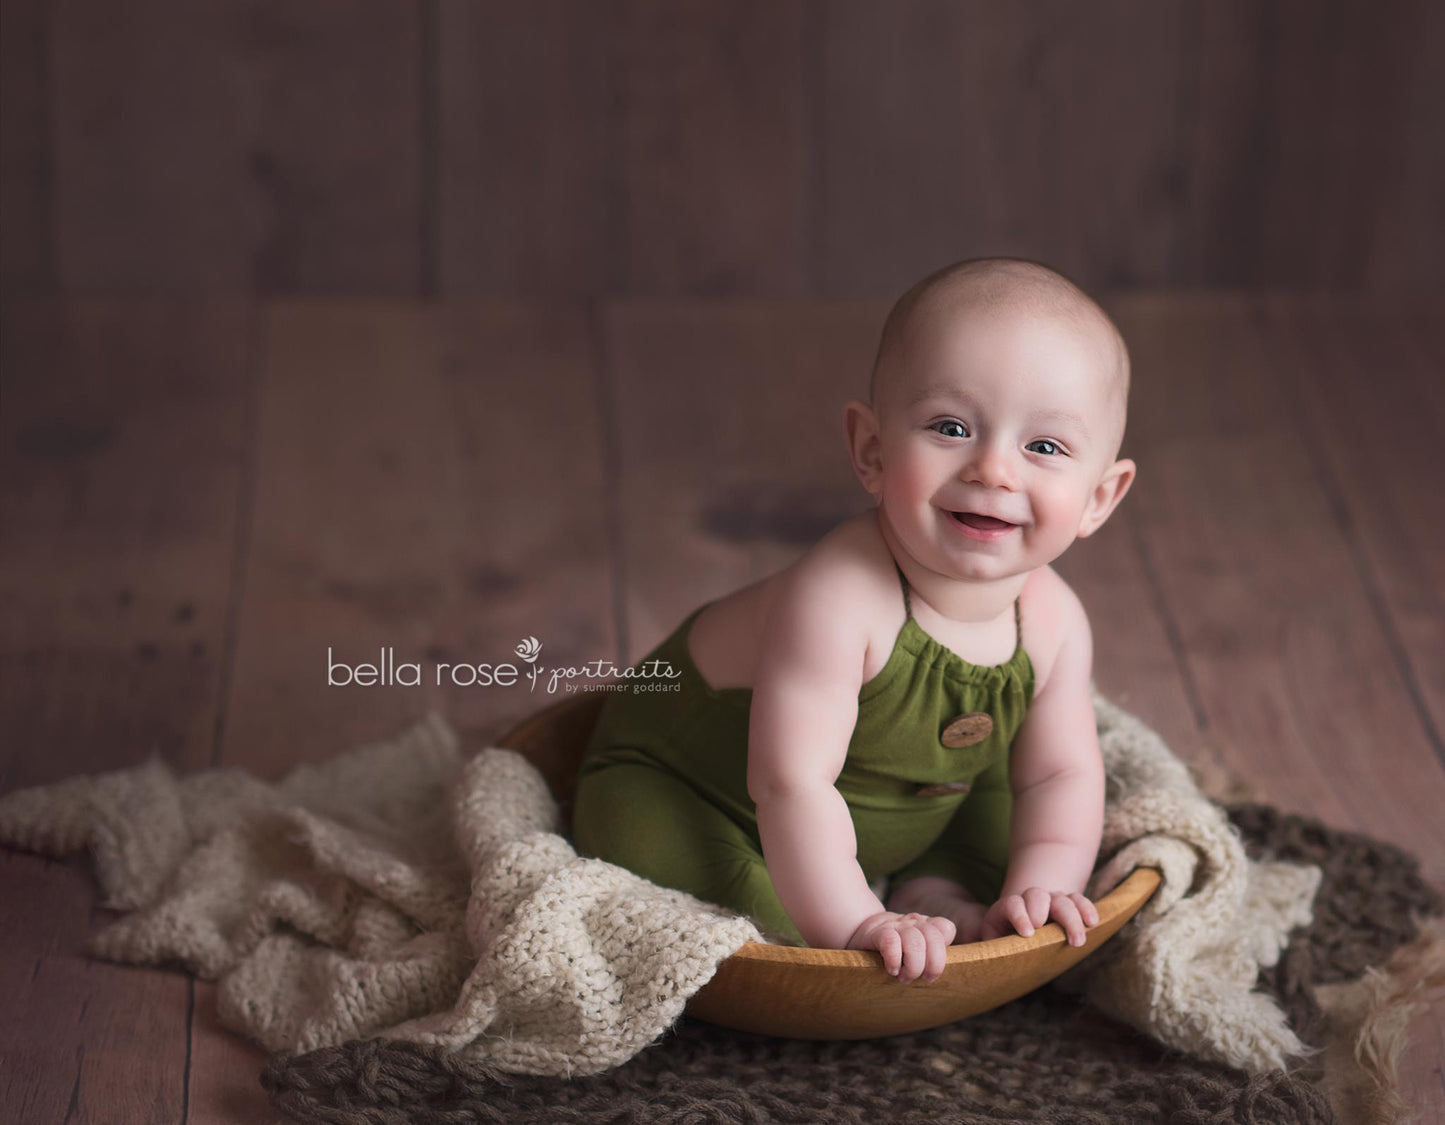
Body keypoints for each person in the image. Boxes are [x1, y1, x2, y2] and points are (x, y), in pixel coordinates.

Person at [571, 257, 1137, 985]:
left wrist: (1043, 885)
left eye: (1044, 446)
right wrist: (856, 925)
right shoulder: (837, 598)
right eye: (951, 426)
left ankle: (930, 886)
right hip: (701, 789)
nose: (993, 470)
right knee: (700, 890)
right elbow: (790, 784)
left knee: (1016, 809)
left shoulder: (1055, 619)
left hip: (900, 804)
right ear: (871, 450)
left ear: (1099, 495)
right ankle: (855, 910)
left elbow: (1061, 771)